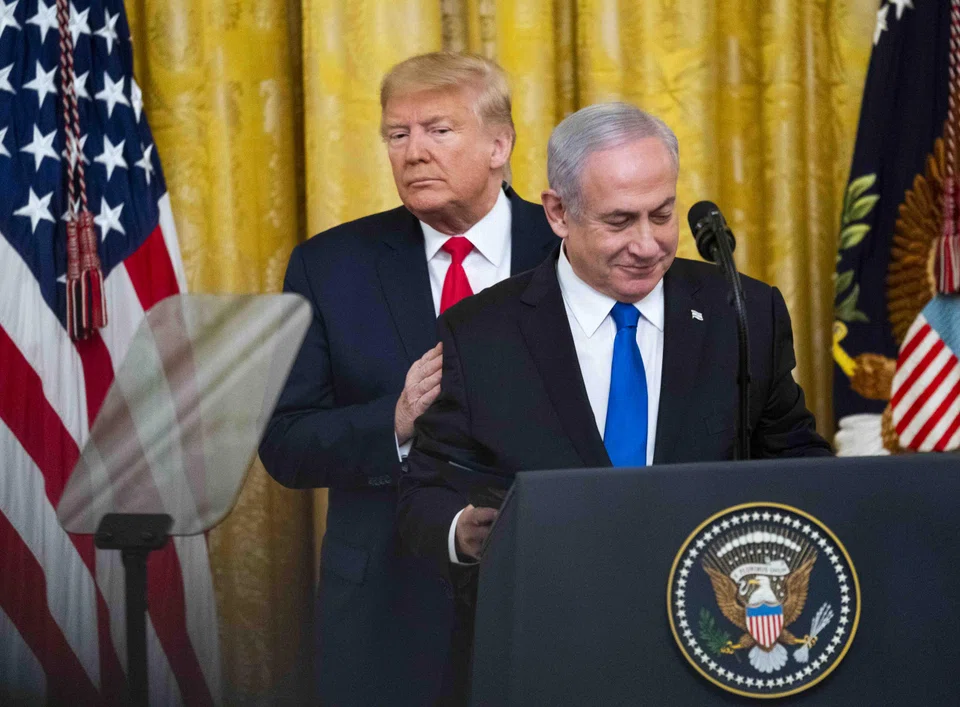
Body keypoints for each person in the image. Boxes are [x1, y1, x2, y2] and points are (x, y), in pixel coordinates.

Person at [397, 102, 833, 694]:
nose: (649, 244)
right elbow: (424, 493)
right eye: (620, 221)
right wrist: (462, 532)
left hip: (713, 645)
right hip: (552, 649)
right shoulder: (481, 332)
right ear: (558, 213)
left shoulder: (744, 311)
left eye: (662, 214)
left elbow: (797, 461)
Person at [258, 53, 556, 706]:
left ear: (499, 143)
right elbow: (284, 440)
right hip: (383, 618)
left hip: (549, 594)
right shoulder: (328, 265)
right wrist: (391, 421)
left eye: (438, 131)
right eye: (399, 134)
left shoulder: (569, 248)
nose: (413, 151)